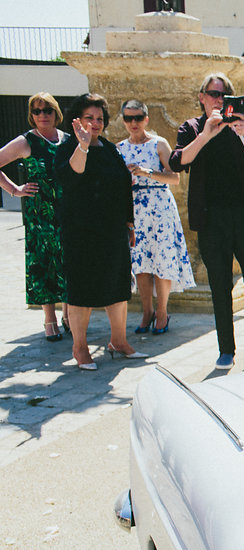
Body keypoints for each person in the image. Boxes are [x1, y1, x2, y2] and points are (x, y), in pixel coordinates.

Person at [169, 73, 244, 371]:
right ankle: (227, 349)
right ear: (201, 97)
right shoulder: (193, 128)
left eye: (224, 95)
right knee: (220, 284)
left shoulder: (240, 128)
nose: (218, 99)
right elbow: (177, 162)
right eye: (212, 94)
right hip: (211, 218)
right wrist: (206, 134)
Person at [55, 93, 147, 370]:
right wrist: (82, 145)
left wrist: (129, 223)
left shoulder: (109, 148)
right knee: (83, 289)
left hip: (112, 228)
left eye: (99, 119)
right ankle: (80, 348)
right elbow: (72, 176)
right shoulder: (68, 147)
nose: (94, 124)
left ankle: (118, 341)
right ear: (77, 120)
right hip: (81, 230)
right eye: (88, 118)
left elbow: (122, 187)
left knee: (117, 286)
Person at [116, 99, 196, 335]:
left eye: (138, 118)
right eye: (128, 118)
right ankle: (147, 311)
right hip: (135, 208)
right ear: (123, 120)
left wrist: (146, 172)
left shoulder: (158, 144)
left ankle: (162, 311)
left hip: (159, 206)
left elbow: (175, 179)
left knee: (163, 261)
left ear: (146, 119)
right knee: (140, 263)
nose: (133, 123)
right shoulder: (119, 148)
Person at [0, 93, 69, 342]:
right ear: (31, 115)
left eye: (47, 110)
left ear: (56, 112)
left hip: (66, 212)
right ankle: (49, 319)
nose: (43, 115)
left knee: (68, 261)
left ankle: (69, 315)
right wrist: (14, 189)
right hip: (40, 214)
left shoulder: (68, 140)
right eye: (37, 111)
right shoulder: (26, 141)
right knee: (44, 264)